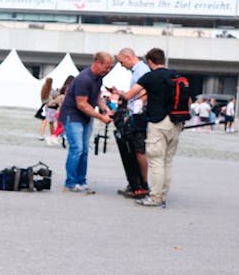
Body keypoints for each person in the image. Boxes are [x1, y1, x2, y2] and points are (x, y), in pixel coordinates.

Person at [121, 48, 187, 208]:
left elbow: (129, 96)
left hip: (158, 123)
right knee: (167, 161)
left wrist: (118, 93)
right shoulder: (176, 75)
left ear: (150, 61)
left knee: (156, 160)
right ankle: (163, 194)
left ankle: (155, 197)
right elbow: (188, 100)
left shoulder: (150, 77)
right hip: (176, 122)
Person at [61, 51, 114, 193]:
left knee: (84, 150)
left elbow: (97, 97)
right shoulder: (84, 79)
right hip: (73, 116)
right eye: (107, 67)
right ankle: (70, 183)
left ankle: (81, 180)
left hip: (85, 117)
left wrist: (105, 109)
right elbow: (82, 104)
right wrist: (101, 117)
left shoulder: (98, 78)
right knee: (77, 149)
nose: (108, 70)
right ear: (97, 63)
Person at [112, 48, 149, 195]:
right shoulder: (138, 70)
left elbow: (144, 91)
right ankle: (135, 182)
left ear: (128, 57)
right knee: (132, 150)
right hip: (136, 114)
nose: (121, 65)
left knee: (138, 150)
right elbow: (134, 94)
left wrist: (137, 108)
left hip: (137, 116)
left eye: (121, 62)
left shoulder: (141, 70)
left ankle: (142, 184)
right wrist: (121, 93)